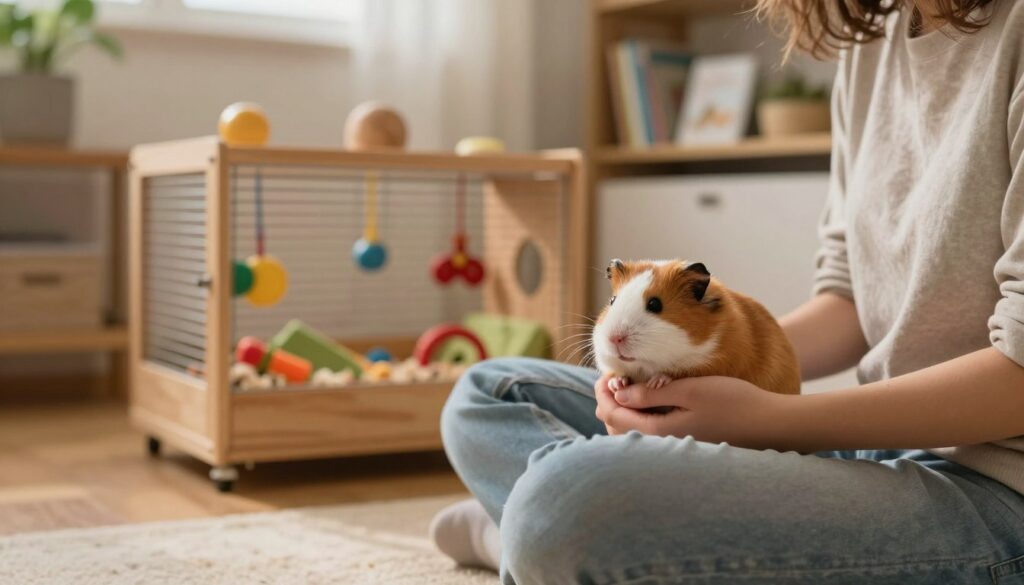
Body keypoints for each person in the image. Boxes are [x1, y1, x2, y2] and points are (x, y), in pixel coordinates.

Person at [431, 1, 1024, 583]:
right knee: (488, 394)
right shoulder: (875, 41)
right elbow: (851, 296)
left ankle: (518, 534)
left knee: (561, 505)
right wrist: (711, 369)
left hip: (998, 496)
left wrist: (773, 420)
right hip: (879, 449)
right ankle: (551, 546)